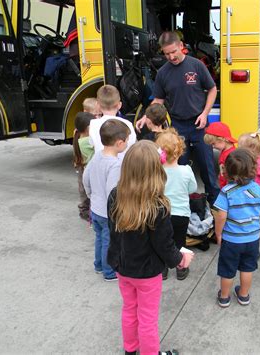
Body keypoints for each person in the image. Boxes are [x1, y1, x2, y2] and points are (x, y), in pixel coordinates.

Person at [107, 140, 194, 355]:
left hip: (122, 267)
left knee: (129, 310)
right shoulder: (158, 205)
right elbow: (164, 245)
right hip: (147, 273)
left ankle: (130, 350)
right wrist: (180, 258)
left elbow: (114, 232)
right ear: (157, 170)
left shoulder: (115, 196)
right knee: (147, 319)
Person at [135, 31, 219, 205]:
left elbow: (212, 89)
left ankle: (215, 206)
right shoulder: (163, 73)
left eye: (173, 51)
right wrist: (146, 116)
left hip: (199, 124)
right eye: (167, 54)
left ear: (181, 46)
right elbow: (158, 99)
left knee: (208, 169)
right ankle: (182, 206)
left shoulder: (196, 66)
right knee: (178, 167)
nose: (171, 56)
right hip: (178, 127)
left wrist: (205, 114)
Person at [213, 149, 260, 307]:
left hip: (231, 240)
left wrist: (218, 234)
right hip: (252, 238)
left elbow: (221, 216)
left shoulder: (226, 192)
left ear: (227, 171)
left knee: (227, 269)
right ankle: (243, 295)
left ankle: (224, 297)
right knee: (247, 268)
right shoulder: (259, 190)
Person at [83, 119, 130, 281]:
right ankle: (109, 272)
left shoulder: (96, 155)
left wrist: (90, 196)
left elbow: (86, 177)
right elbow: (113, 192)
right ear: (119, 143)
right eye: (127, 141)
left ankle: (98, 265)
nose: (127, 144)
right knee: (109, 242)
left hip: (95, 208)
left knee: (99, 238)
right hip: (108, 212)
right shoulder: (115, 165)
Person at [156, 128, 198, 280]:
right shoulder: (186, 170)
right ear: (180, 152)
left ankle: (163, 268)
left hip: (161, 213)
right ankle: (181, 268)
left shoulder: (157, 171)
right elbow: (192, 189)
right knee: (180, 242)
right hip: (181, 214)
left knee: (162, 241)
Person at [89, 85, 136, 157]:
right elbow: (132, 145)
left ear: (98, 105)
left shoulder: (93, 124)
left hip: (102, 165)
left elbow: (92, 144)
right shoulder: (127, 124)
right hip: (123, 166)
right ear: (119, 105)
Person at [73, 112, 95, 220]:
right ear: (87, 129)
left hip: (86, 170)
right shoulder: (88, 141)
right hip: (91, 172)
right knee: (89, 195)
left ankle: (86, 211)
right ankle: (87, 213)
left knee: (86, 193)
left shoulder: (79, 138)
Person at [204, 122, 237, 188]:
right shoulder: (225, 151)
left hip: (229, 187)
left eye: (213, 143)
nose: (213, 146)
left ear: (222, 139)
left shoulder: (231, 155)